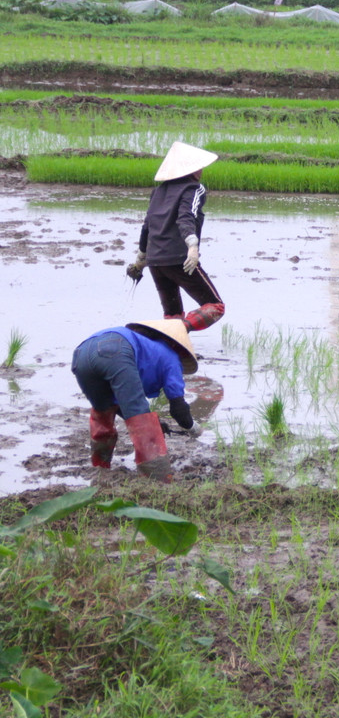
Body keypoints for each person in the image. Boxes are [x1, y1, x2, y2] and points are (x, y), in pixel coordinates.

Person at [71, 319, 200, 482]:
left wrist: (157, 425)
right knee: (140, 415)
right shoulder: (172, 357)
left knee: (103, 411)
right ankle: (157, 478)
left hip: (80, 354)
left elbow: (119, 404)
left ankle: (100, 469)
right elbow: (178, 409)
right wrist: (193, 428)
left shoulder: (145, 345)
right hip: (116, 350)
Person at [126, 141, 226, 331]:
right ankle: (180, 331)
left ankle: (173, 346)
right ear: (192, 169)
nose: (202, 170)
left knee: (173, 315)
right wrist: (193, 247)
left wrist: (141, 258)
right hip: (179, 259)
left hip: (155, 261)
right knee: (215, 306)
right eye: (200, 167)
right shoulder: (194, 189)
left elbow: (147, 225)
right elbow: (186, 217)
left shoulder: (158, 191)